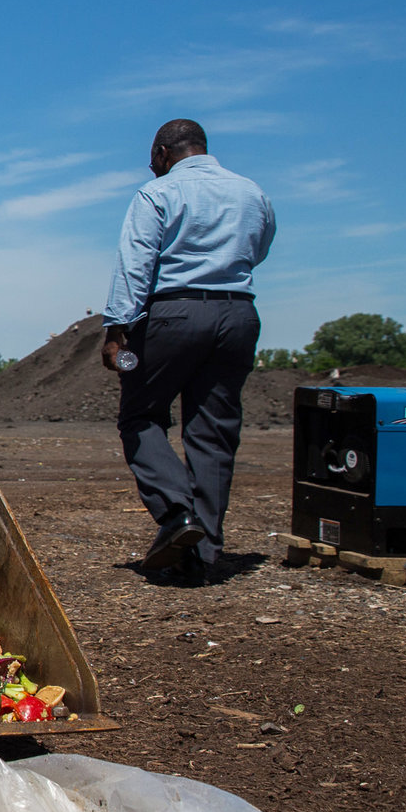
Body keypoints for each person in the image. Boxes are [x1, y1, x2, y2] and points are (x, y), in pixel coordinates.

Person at [101, 119, 276, 583]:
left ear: (162, 153)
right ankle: (204, 556)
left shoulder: (156, 194)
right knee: (214, 430)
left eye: (151, 158)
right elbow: (258, 249)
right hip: (238, 313)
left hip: (174, 313)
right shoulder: (251, 192)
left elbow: (135, 262)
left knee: (141, 416)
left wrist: (118, 328)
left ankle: (179, 515)